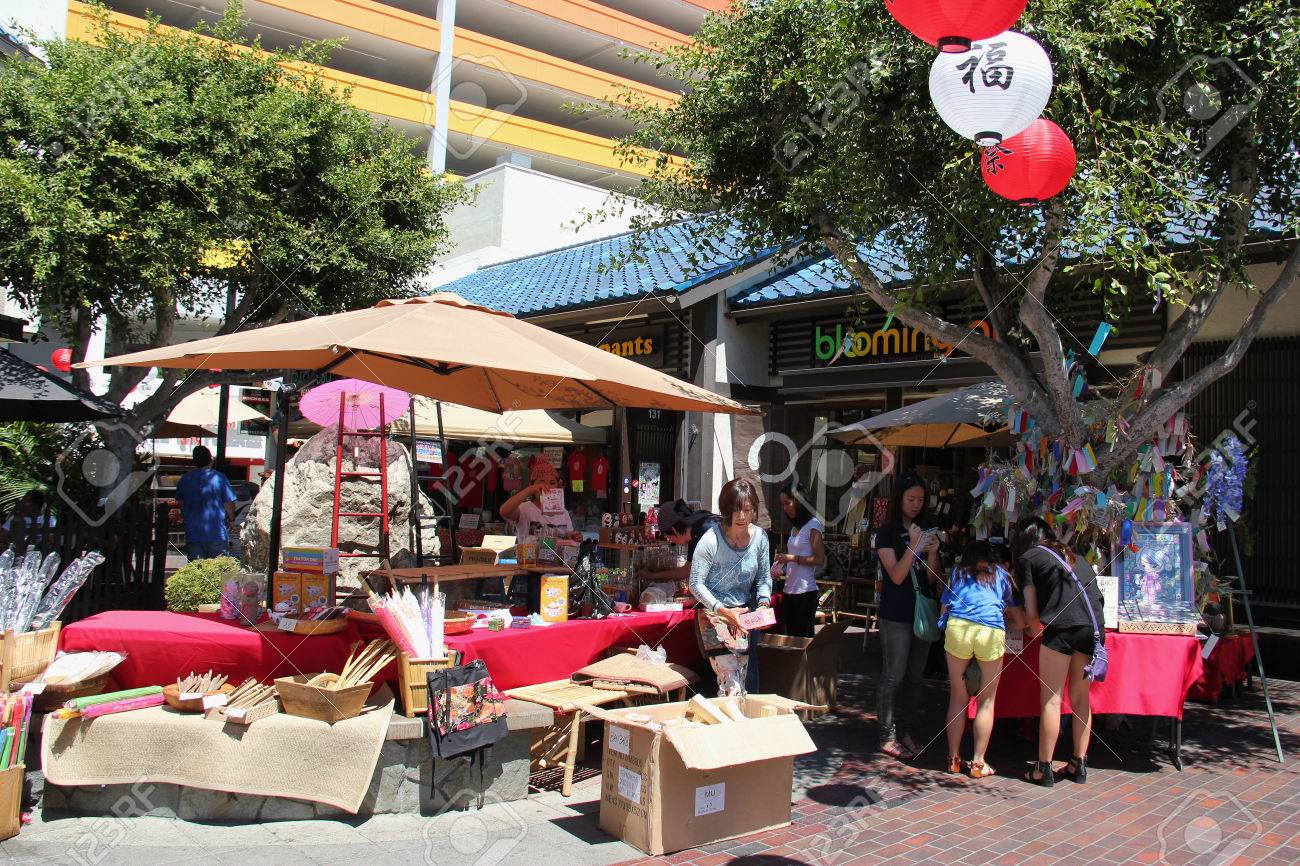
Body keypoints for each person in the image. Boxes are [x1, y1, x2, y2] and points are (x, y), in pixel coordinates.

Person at [1014, 516, 1105, 786]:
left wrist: (1032, 630)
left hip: (1062, 628)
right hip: (1093, 629)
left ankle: (1043, 768)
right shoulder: (1077, 558)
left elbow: (1032, 614)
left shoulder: (1029, 558)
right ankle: (1079, 763)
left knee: (1051, 700)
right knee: (1080, 698)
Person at [940, 540, 1024, 778]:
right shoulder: (1002, 575)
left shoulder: (957, 573)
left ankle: (953, 759)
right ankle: (978, 763)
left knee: (958, 697)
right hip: (990, 631)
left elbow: (943, 610)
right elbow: (1020, 620)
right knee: (986, 700)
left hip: (958, 628)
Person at [872, 475, 941, 760]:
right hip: (896, 613)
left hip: (921, 613)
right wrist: (913, 545)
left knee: (915, 678)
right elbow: (897, 576)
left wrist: (934, 552)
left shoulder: (924, 529)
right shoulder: (886, 533)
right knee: (893, 676)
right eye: (911, 499)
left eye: (920, 500)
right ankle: (886, 735)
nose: (915, 505)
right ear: (899, 498)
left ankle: (906, 731)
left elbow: (932, 579)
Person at [689, 479, 772, 696]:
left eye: (747, 510)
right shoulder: (711, 540)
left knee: (742, 681)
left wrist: (763, 604)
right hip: (714, 616)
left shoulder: (760, 538)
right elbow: (695, 584)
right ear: (726, 510)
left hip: (743, 616)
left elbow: (764, 578)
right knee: (731, 685)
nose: (742, 516)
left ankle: (731, 716)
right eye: (736, 510)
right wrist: (723, 610)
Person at [772, 484, 825, 639]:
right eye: (782, 504)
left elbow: (819, 559)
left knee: (802, 640)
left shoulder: (813, 525)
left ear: (799, 501)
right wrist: (781, 566)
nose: (785, 508)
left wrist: (791, 558)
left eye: (787, 503)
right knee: (791, 638)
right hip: (789, 590)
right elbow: (794, 559)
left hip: (805, 592)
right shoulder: (794, 528)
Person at [175, 446, 236, 561]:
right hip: (216, 531)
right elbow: (229, 502)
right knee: (219, 568)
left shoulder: (185, 479)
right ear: (210, 460)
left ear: (194, 461)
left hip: (193, 531)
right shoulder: (219, 477)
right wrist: (232, 519)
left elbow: (180, 501)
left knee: (197, 568)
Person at [499, 460, 581, 545]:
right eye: (541, 482)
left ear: (557, 486)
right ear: (532, 485)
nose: (547, 486)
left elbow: (569, 537)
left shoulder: (564, 513)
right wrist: (531, 490)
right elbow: (504, 511)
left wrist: (574, 537)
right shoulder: (525, 509)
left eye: (552, 483)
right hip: (528, 554)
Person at [642, 499, 720, 582]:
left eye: (668, 537)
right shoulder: (694, 534)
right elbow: (687, 570)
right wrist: (653, 576)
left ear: (674, 530)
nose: (670, 541)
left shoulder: (705, 532)